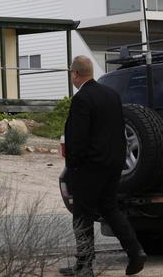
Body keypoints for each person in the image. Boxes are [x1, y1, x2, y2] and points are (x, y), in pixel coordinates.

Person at [60, 55, 146, 276]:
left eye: (72, 73)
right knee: (110, 209)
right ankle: (135, 251)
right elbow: (118, 130)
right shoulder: (111, 94)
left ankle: (85, 265)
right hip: (113, 164)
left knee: (82, 214)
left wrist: (74, 165)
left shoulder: (82, 99)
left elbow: (78, 138)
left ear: (76, 74)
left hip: (89, 167)